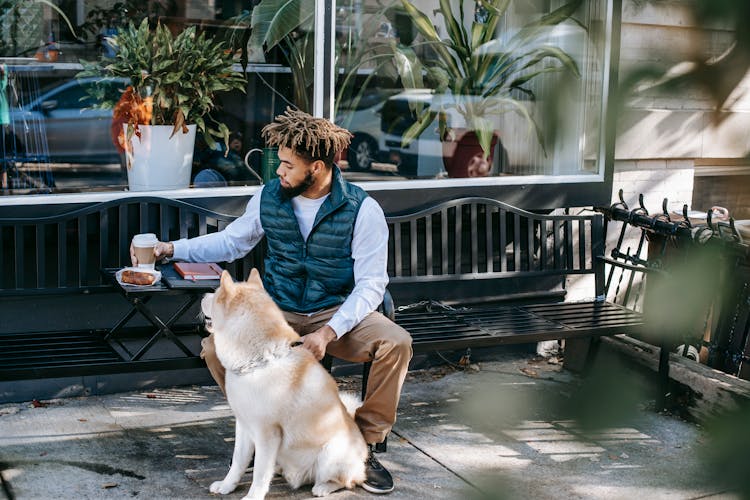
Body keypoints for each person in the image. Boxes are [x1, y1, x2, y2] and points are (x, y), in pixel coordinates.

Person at [131, 108, 412, 495]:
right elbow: (232, 242)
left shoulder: (363, 210)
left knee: (395, 343)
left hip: (335, 310)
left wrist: (328, 332)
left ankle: (363, 444)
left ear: (316, 166)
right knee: (215, 351)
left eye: (286, 164)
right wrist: (170, 249)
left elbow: (371, 286)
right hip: (278, 312)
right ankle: (266, 428)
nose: (278, 172)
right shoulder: (269, 197)